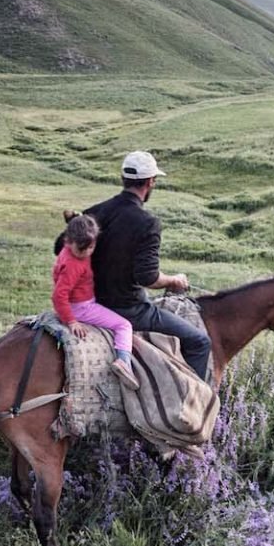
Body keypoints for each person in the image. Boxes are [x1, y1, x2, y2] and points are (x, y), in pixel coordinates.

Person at [55, 150, 211, 382]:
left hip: (88, 302)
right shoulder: (148, 223)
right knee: (199, 342)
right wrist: (173, 280)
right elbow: (147, 277)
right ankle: (193, 405)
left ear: (123, 179)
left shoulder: (95, 212)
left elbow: (60, 246)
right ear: (150, 182)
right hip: (128, 309)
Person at [52, 214, 139, 391]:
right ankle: (124, 363)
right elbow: (58, 295)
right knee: (124, 325)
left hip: (81, 303)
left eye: (90, 248)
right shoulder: (73, 264)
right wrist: (71, 321)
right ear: (70, 241)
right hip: (82, 308)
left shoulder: (69, 249)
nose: (86, 253)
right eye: (82, 249)